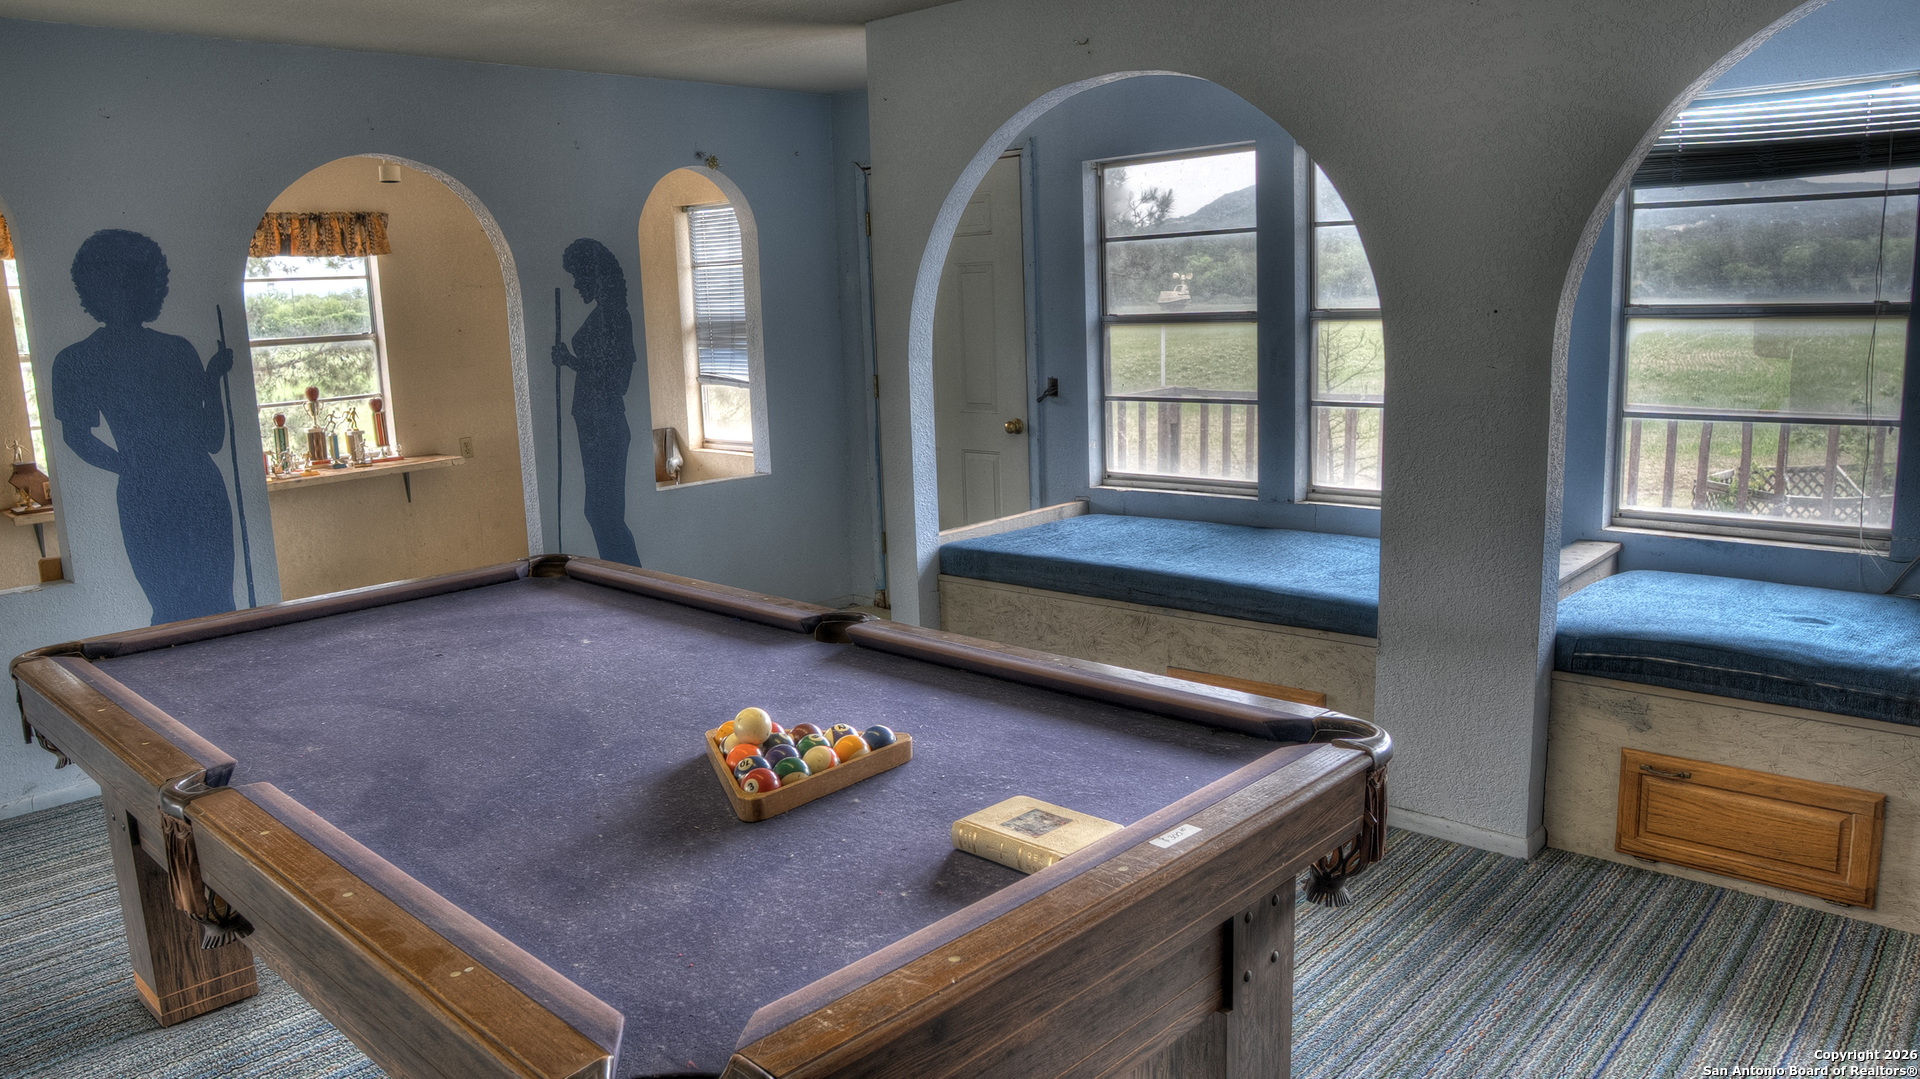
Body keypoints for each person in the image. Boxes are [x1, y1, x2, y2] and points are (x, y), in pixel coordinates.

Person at [52, 229, 235, 624]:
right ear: (94, 289)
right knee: (172, 609)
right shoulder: (77, 360)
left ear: (147, 287)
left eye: (131, 282)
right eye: (112, 283)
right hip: (147, 495)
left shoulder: (176, 349)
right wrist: (131, 468)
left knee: (220, 604)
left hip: (199, 486)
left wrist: (212, 381)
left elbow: (211, 439)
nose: (123, 294)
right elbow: (76, 435)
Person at [553, 238, 641, 567]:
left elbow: (618, 380)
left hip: (605, 427)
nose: (575, 285)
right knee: (599, 513)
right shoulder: (604, 313)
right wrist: (570, 360)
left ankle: (633, 583)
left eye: (579, 277)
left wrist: (573, 362)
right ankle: (625, 582)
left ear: (594, 275)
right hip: (593, 424)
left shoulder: (616, 316)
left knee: (606, 517)